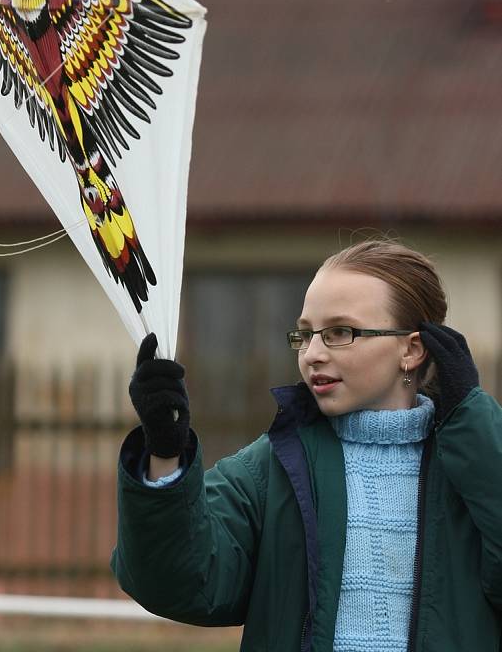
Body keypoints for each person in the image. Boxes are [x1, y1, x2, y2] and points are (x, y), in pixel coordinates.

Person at [111, 240, 502, 652]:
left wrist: (473, 425)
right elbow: (176, 582)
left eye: (339, 333)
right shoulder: (274, 466)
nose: (312, 354)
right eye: (305, 334)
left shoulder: (471, 466)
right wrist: (165, 453)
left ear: (412, 348)